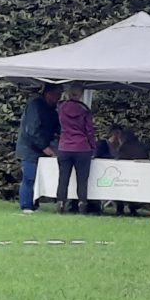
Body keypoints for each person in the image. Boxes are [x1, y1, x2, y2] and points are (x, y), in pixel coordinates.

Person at [15, 83, 61, 214]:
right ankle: (26, 206)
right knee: (29, 177)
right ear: (48, 93)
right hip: (29, 148)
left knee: (38, 178)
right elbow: (32, 130)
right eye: (57, 95)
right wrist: (45, 147)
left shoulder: (51, 109)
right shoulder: (35, 105)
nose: (59, 98)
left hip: (40, 148)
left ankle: (34, 204)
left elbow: (57, 127)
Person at [56, 83, 96, 215]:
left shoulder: (61, 107)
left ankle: (60, 203)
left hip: (64, 146)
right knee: (82, 179)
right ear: (81, 94)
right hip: (82, 147)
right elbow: (89, 131)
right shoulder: (84, 110)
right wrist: (93, 146)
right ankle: (82, 204)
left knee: (63, 178)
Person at [114, 128, 148, 216]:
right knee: (135, 191)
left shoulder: (124, 147)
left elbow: (118, 160)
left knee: (119, 188)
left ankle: (120, 208)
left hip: (124, 173)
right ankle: (133, 209)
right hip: (139, 174)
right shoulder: (141, 146)